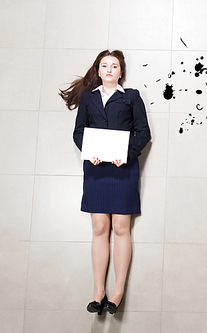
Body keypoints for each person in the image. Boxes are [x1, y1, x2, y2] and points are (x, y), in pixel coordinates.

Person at [60, 50, 151, 315]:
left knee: (122, 227)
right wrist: (90, 152)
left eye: (114, 66)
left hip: (123, 170)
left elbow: (143, 132)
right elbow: (79, 132)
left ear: (121, 72)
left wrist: (126, 154)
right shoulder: (88, 98)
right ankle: (98, 290)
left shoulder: (132, 96)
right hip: (97, 169)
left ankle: (118, 291)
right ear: (98, 71)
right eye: (104, 65)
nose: (109, 69)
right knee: (99, 227)